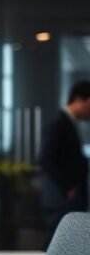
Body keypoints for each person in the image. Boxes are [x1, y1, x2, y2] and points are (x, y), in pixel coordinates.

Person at [39, 81, 90, 246]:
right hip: (62, 196)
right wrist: (67, 187)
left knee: (65, 243)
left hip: (68, 195)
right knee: (55, 243)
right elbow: (45, 159)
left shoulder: (69, 124)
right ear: (79, 100)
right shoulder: (58, 124)